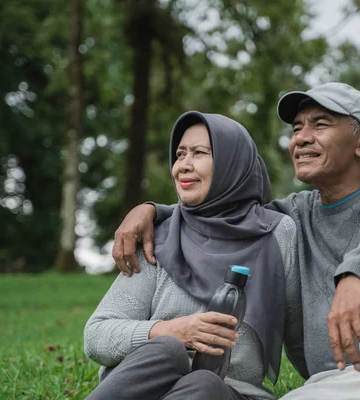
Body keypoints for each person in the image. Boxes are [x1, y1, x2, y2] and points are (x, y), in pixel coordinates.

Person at [112, 82, 360, 399]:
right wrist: (152, 210)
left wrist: (357, 275)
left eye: (320, 125)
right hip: (343, 385)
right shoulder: (289, 217)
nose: (302, 139)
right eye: (297, 129)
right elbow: (224, 210)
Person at [83, 111, 306, 400]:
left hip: (229, 394)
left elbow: (302, 338)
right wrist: (171, 331)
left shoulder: (278, 234)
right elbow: (96, 336)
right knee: (168, 349)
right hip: (146, 389)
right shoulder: (158, 235)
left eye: (199, 153)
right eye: (179, 154)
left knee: (206, 383)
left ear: (232, 163)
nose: (182, 166)